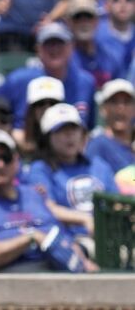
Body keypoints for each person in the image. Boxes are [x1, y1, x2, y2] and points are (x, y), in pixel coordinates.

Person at [0, 129, 95, 273]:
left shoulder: (33, 194)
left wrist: (84, 262)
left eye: (6, 157)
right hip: (6, 277)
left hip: (54, 272)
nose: (0, 165)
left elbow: (60, 237)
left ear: (16, 161)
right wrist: (30, 238)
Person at [25, 103, 119, 244]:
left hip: (110, 236)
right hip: (71, 241)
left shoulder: (97, 165)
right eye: (61, 130)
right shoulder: (40, 170)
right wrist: (85, 219)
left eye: (73, 128)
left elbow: (117, 203)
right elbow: (48, 208)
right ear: (47, 138)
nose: (69, 135)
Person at [0, 22, 97, 130]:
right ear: (38, 48)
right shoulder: (18, 80)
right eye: (48, 44)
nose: (54, 49)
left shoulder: (85, 82)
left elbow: (90, 128)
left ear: (71, 47)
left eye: (60, 43)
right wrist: (12, 133)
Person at [86, 79, 135, 178]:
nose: (121, 107)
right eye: (114, 102)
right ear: (103, 109)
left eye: (126, 102)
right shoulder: (98, 145)